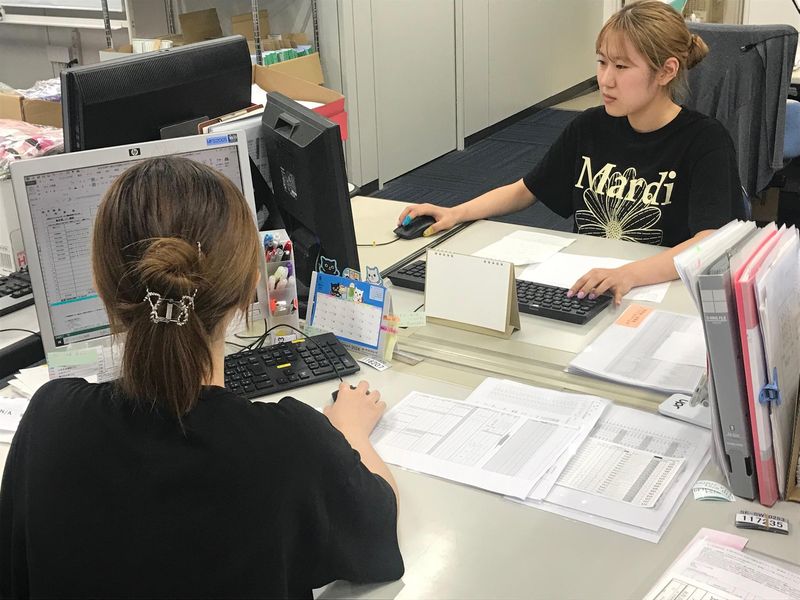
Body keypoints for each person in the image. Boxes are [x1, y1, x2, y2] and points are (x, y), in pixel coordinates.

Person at [0, 157, 403, 598]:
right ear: (251, 287)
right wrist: (349, 432)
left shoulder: (49, 421)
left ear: (101, 286)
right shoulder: (289, 447)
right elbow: (378, 527)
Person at [398, 0, 745, 304]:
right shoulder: (590, 126)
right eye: (602, 62)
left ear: (666, 71)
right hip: (589, 284)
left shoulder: (704, 140)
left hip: (656, 288)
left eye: (621, 67)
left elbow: (708, 241)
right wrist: (456, 212)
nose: (605, 80)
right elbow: (526, 190)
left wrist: (630, 274)